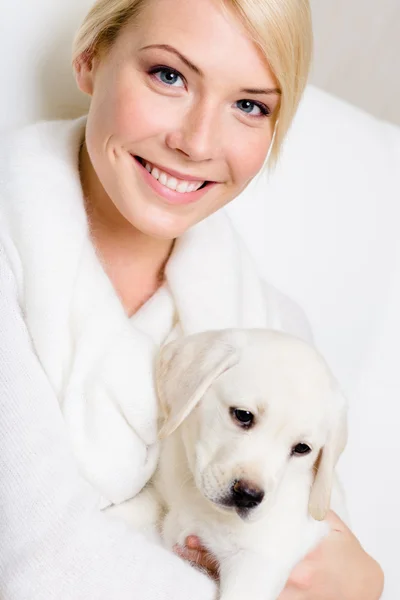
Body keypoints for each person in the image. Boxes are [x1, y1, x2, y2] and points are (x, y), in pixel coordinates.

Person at [0, 0, 383, 598]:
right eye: (169, 75)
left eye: (250, 105)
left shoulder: (274, 324)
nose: (197, 142)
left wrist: (364, 581)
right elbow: (32, 559)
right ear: (90, 58)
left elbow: (318, 544)